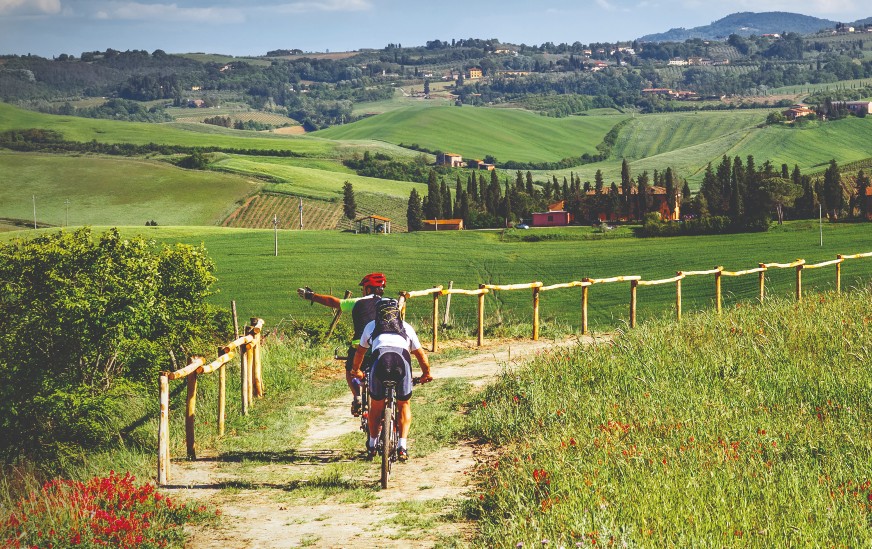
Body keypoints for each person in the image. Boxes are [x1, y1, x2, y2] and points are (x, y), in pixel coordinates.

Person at [350, 298, 432, 462]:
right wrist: (426, 374)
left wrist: (356, 370)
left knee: (376, 406)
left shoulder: (371, 326)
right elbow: (421, 355)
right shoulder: (407, 327)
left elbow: (359, 353)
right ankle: (402, 446)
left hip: (380, 361)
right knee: (404, 404)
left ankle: (372, 444)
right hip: (401, 362)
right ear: (397, 312)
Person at [297, 273, 386, 416]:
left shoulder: (358, 302)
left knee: (350, 370)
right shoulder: (389, 303)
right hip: (382, 345)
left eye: (364, 288)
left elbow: (334, 302)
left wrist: (311, 296)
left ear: (368, 290)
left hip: (360, 346)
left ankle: (357, 395)